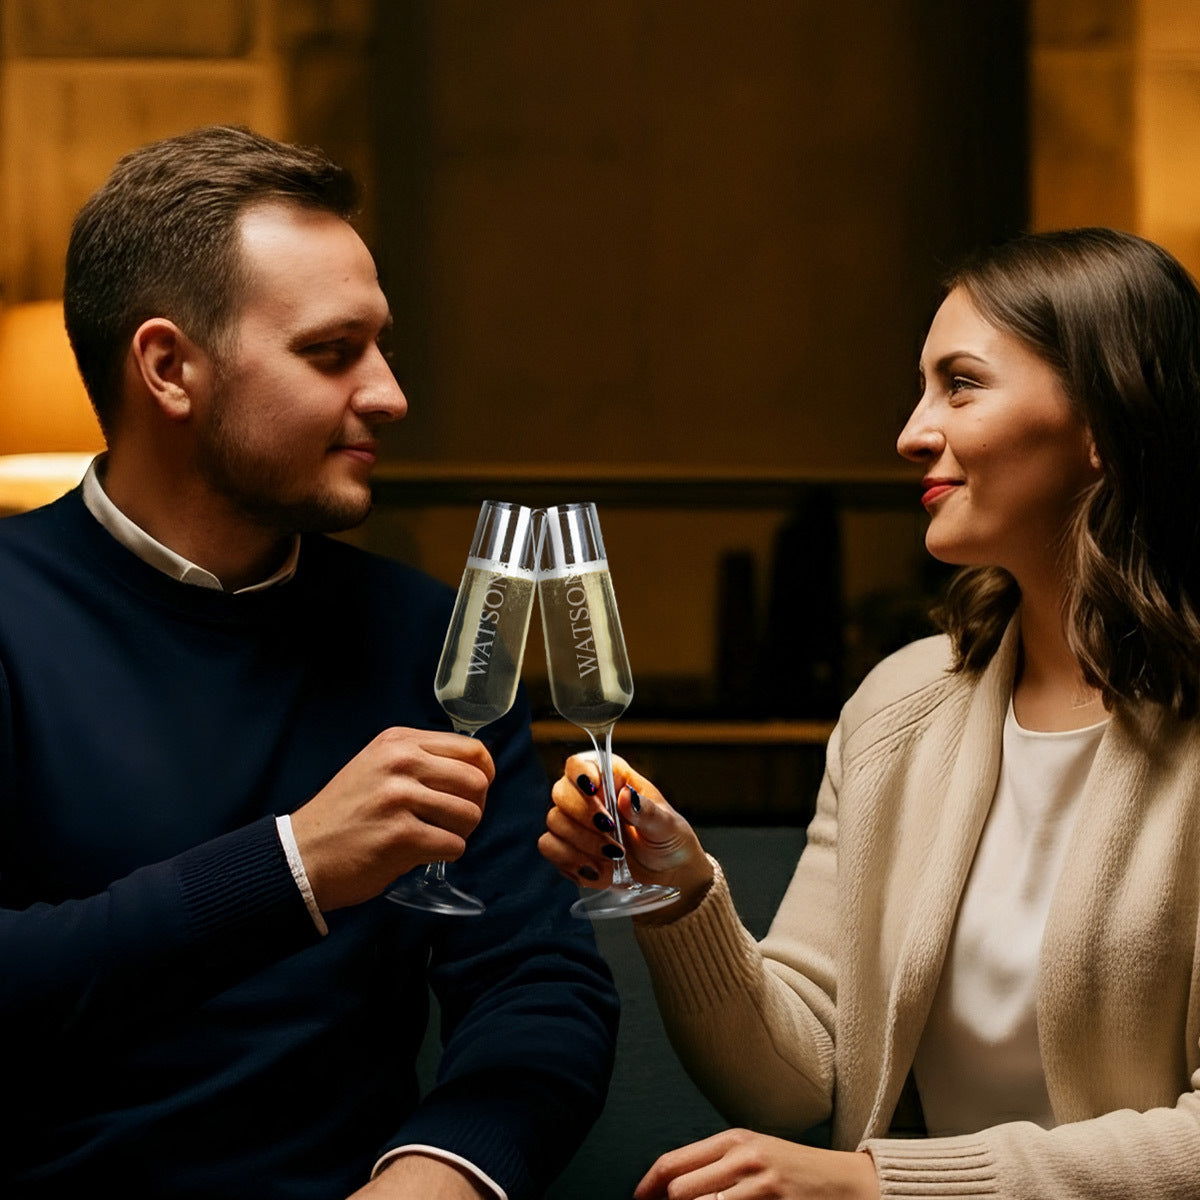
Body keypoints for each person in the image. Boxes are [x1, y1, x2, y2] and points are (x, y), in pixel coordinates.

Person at [0, 125, 618, 1199]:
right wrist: (289, 871)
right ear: (168, 367)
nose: (389, 394)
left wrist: (445, 1172)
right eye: (333, 353)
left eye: (380, 346)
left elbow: (537, 981)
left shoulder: (431, 639)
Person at [540, 227, 1200, 1198]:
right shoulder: (901, 705)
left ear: (1105, 418)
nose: (911, 431)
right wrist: (680, 895)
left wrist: (882, 1185)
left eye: (961, 384)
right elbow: (800, 1076)